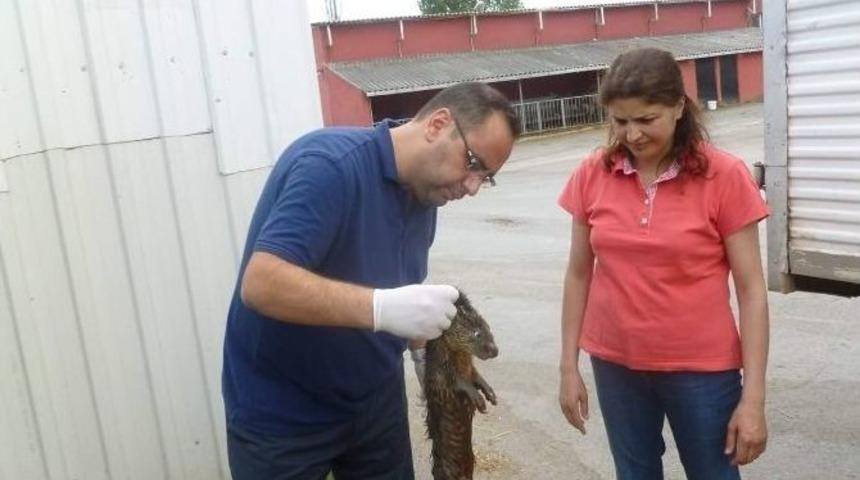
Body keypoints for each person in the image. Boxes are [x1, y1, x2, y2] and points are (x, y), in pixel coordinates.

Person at [222, 82, 520, 479]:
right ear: (438, 124)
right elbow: (261, 284)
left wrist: (423, 352)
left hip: (375, 405)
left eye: (487, 178)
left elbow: (400, 292)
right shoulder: (329, 167)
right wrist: (382, 308)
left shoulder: (426, 192)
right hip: (283, 415)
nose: (472, 187)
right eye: (472, 162)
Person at [557, 48, 769, 479]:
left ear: (677, 106)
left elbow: (751, 291)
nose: (631, 135)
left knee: (713, 473)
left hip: (702, 371)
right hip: (615, 365)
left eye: (645, 119)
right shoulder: (593, 173)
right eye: (620, 121)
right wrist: (568, 366)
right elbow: (579, 272)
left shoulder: (724, 175)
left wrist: (754, 399)